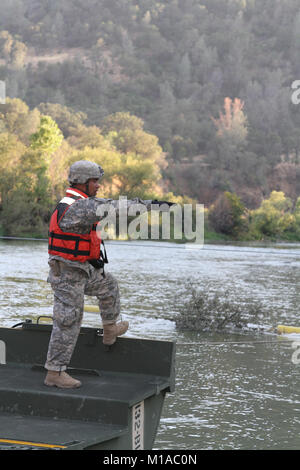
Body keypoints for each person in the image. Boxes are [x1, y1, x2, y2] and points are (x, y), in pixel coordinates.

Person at [44, 160, 170, 389]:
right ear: (82, 182)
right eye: (95, 181)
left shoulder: (78, 203)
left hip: (80, 270)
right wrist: (152, 205)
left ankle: (110, 329)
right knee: (68, 321)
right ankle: (55, 372)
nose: (98, 186)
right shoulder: (80, 206)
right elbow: (117, 207)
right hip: (67, 275)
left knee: (108, 284)